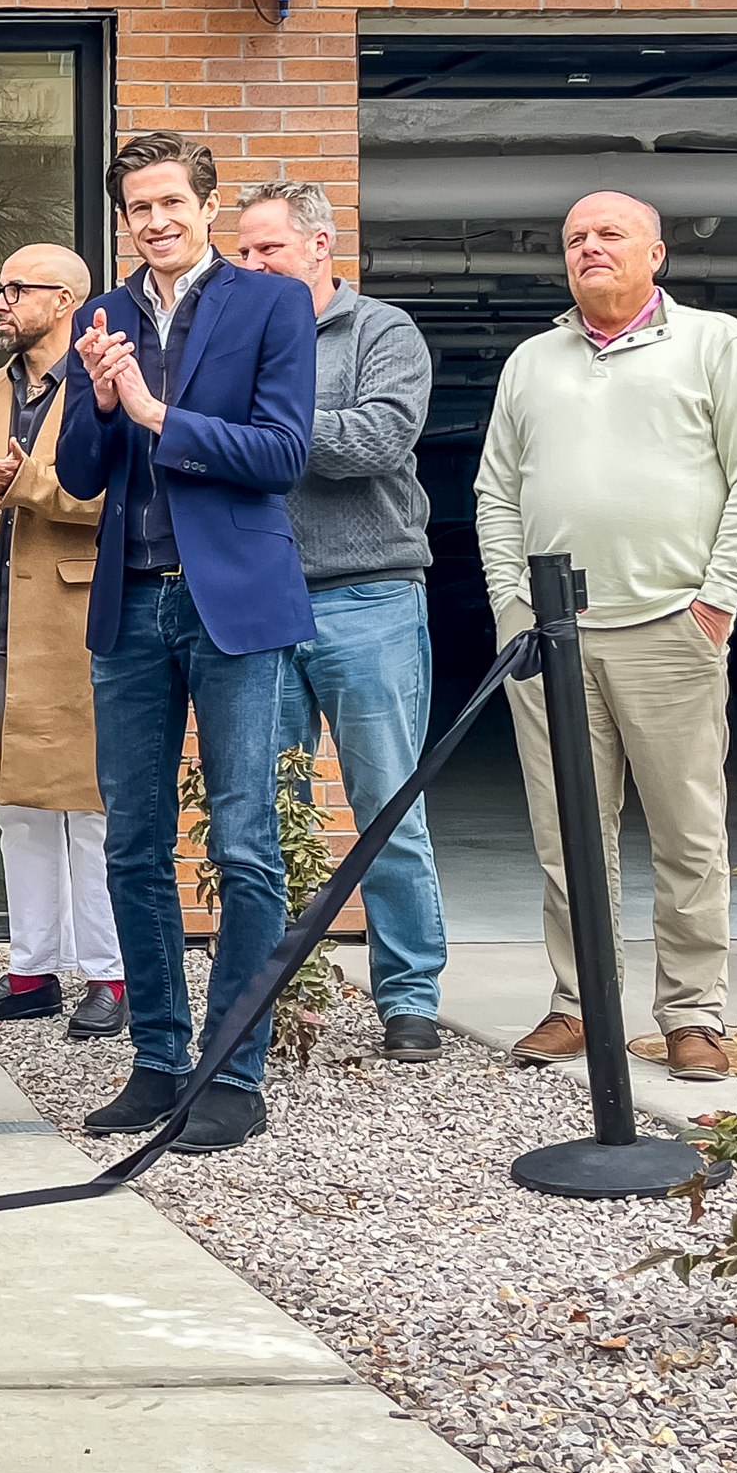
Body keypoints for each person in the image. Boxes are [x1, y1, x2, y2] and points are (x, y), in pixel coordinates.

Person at [476, 191, 737, 1085]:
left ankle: (691, 1013)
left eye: (610, 233)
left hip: (670, 627)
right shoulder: (532, 362)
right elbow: (497, 492)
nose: (589, 247)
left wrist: (717, 602)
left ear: (657, 253)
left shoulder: (717, 344)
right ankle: (581, 1004)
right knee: (567, 832)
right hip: (550, 637)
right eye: (575, 237)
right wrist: (510, 605)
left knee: (687, 831)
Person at [56, 131, 315, 1156]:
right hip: (130, 603)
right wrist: (99, 399)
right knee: (132, 841)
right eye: (138, 208)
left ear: (207, 206)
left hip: (232, 603)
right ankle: (159, 1058)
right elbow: (80, 473)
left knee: (244, 841)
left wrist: (156, 412)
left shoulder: (271, 304)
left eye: (171, 202)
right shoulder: (103, 316)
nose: (155, 221)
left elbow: (282, 454)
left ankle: (232, 1069)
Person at [234, 181, 448, 1065]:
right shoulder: (236, 340)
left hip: (369, 597)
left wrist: (265, 425)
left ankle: (410, 997)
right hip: (261, 600)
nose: (252, 266)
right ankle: (280, 994)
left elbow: (378, 441)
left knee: (387, 805)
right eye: (243, 252)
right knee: (265, 812)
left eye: (269, 250)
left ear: (321, 246)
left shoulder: (382, 333)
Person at [0, 243, 126, 1040]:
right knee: (16, 806)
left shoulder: (104, 387)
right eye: (0, 288)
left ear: (66, 300)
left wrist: (21, 481)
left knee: (88, 807)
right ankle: (31, 973)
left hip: (75, 622)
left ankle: (111, 977)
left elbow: (111, 495)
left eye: (16, 289)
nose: (0, 302)